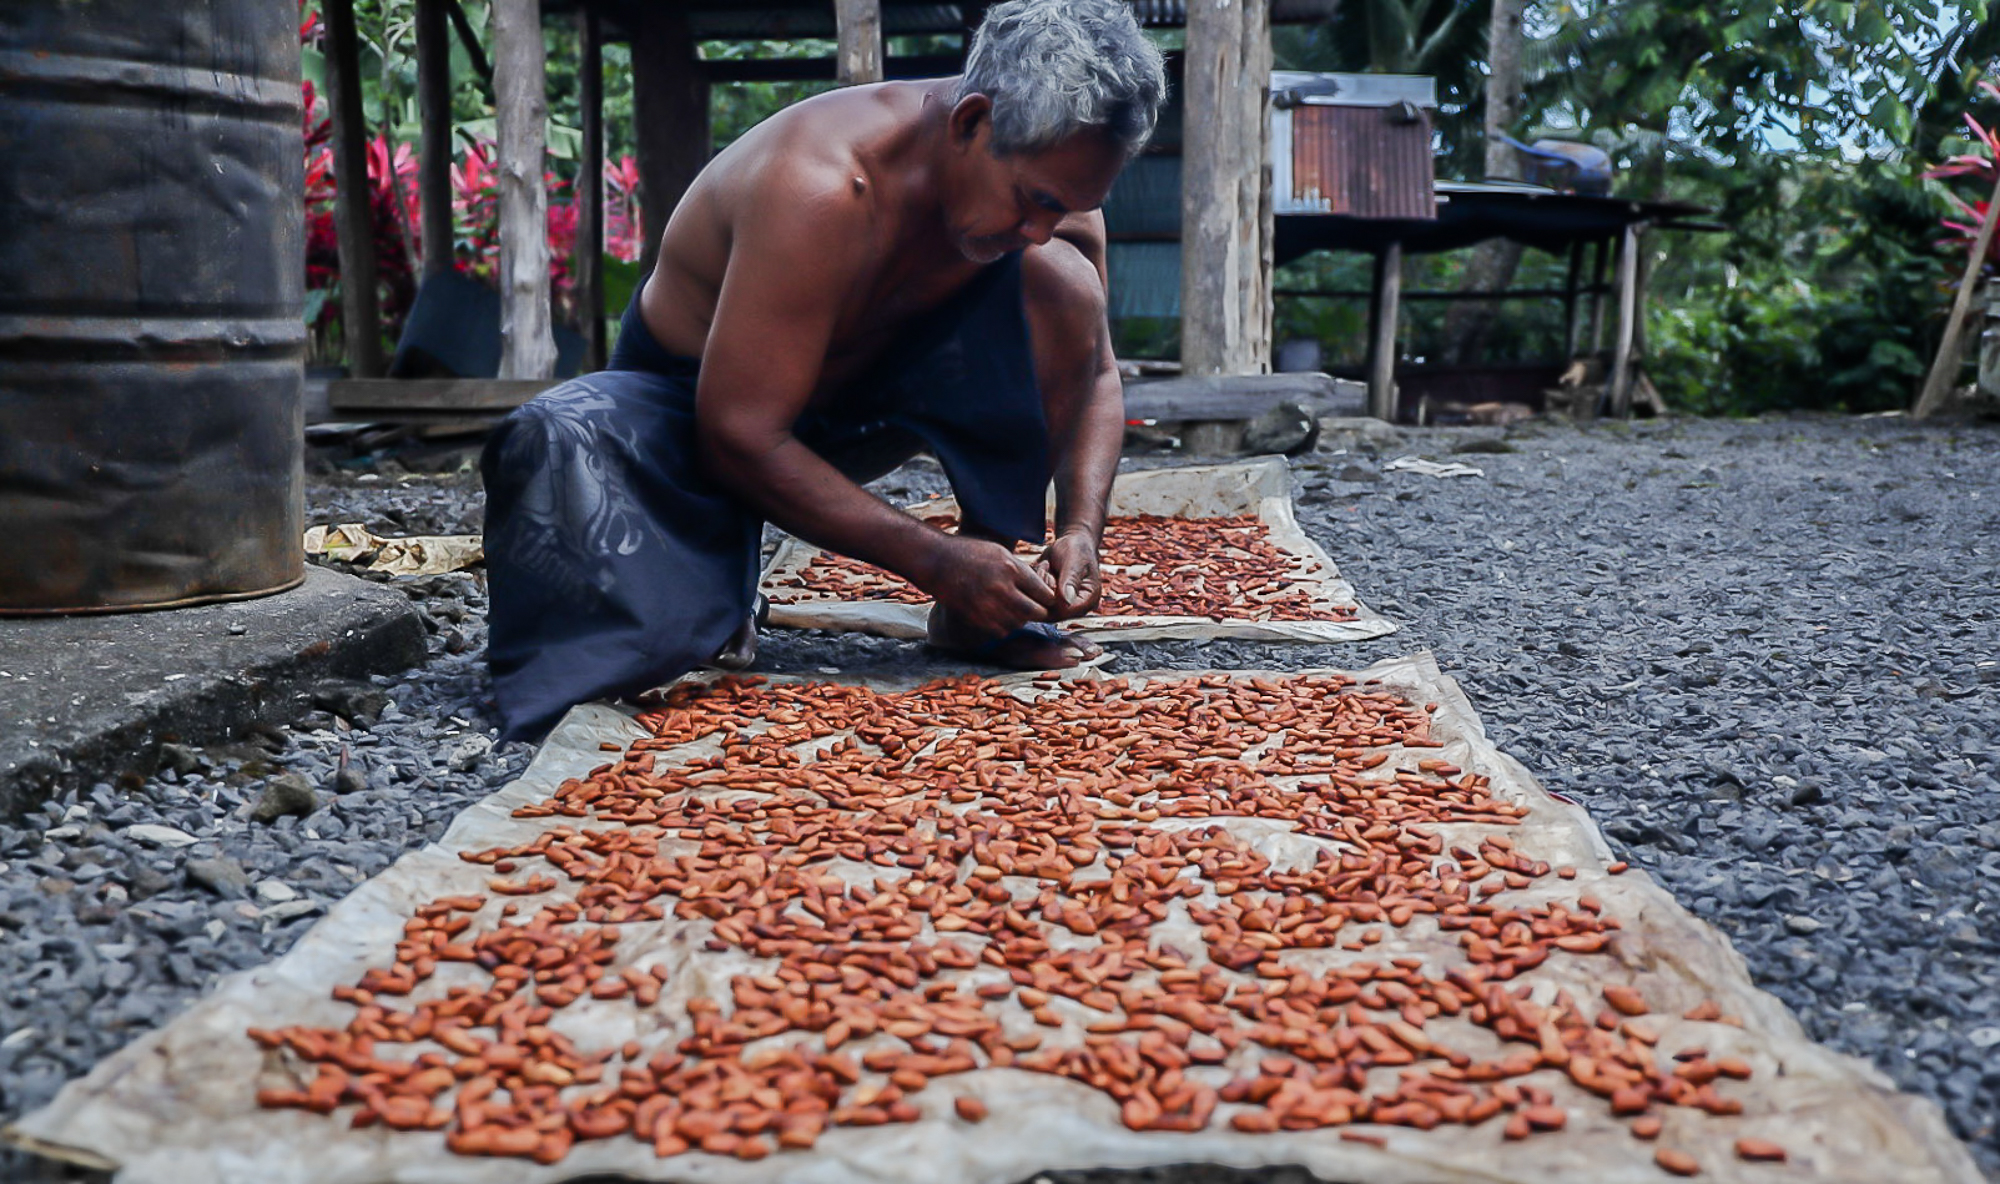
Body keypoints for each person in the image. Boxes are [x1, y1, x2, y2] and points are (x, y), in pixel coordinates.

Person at [481, 0, 1167, 743]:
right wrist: (934, 559)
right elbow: (739, 433)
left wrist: (1081, 528)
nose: (1040, 229)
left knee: (1063, 282)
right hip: (698, 415)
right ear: (971, 123)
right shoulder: (822, 184)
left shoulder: (1054, 193)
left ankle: (991, 592)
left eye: (1067, 206)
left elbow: (1096, 372)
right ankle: (719, 570)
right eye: (1033, 202)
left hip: (868, 401)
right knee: (562, 455)